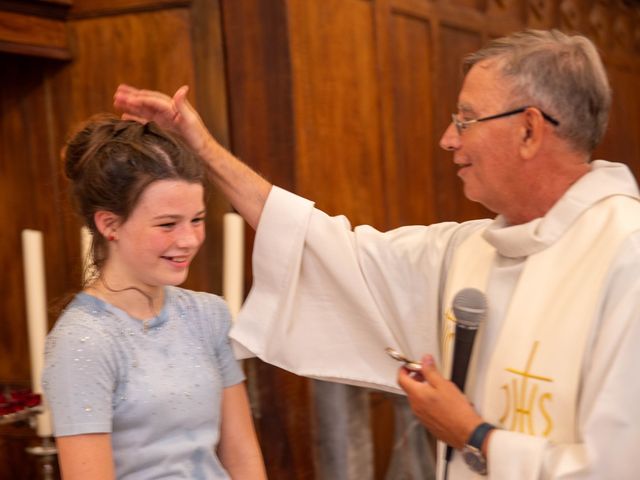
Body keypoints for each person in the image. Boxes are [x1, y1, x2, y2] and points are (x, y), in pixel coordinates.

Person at [113, 29, 640, 479]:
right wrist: (202, 147)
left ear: (528, 130)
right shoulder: (471, 250)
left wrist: (476, 436)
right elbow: (327, 250)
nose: (447, 140)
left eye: (465, 119)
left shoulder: (626, 256)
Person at [42, 114, 267, 480]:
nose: (189, 240)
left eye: (196, 219)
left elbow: (243, 458)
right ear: (109, 224)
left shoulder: (208, 315)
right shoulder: (82, 341)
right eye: (167, 224)